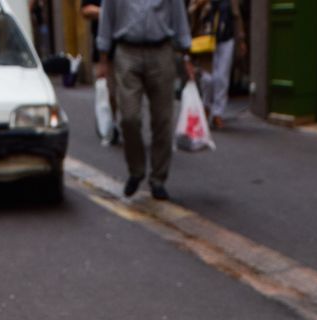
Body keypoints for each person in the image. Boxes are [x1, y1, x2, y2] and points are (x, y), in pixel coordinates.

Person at [96, 0, 193, 200]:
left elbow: (178, 14)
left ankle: (158, 178)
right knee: (129, 118)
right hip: (127, 52)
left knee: (162, 120)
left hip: (161, 51)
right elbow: (107, 17)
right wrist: (103, 58)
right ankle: (136, 170)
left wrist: (186, 56)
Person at [188, 0, 245, 129]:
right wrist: (200, 4)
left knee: (222, 78)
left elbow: (236, 16)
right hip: (206, 39)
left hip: (226, 39)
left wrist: (241, 39)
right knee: (208, 78)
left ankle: (217, 113)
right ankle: (206, 105)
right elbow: (190, 11)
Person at [81, 0, 119, 142]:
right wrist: (106, 13)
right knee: (111, 91)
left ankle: (121, 123)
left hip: (129, 45)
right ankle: (112, 123)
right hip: (106, 47)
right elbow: (85, 10)